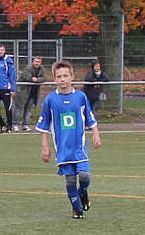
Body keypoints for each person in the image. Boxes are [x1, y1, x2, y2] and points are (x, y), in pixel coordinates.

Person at [37, 60, 102, 219]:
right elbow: (44, 125)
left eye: (66, 75)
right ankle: (76, 209)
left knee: (84, 175)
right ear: (54, 78)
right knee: (71, 179)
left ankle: (83, 192)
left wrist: (96, 134)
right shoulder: (51, 100)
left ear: (72, 76)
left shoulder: (80, 96)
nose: (62, 79)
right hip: (63, 148)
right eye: (59, 76)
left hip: (79, 146)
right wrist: (45, 146)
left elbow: (90, 117)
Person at [12, 56, 45, 132]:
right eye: (36, 61)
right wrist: (33, 79)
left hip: (32, 93)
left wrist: (37, 79)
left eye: (39, 62)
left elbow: (44, 78)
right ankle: (15, 125)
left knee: (28, 110)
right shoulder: (28, 68)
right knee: (18, 108)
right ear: (33, 61)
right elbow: (27, 78)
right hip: (23, 92)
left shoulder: (42, 69)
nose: (37, 63)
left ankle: (25, 125)